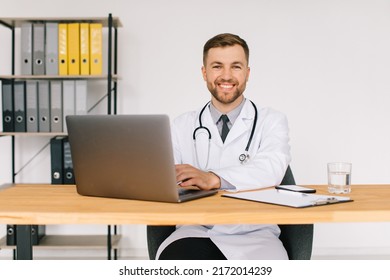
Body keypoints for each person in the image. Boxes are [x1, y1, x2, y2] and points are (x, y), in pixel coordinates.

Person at [156, 33, 291, 260]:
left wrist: (213, 179)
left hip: (255, 234)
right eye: (217, 66)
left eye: (236, 67)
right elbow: (162, 179)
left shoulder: (272, 121)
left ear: (247, 73)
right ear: (204, 72)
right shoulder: (182, 125)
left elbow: (272, 169)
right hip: (194, 231)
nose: (226, 76)